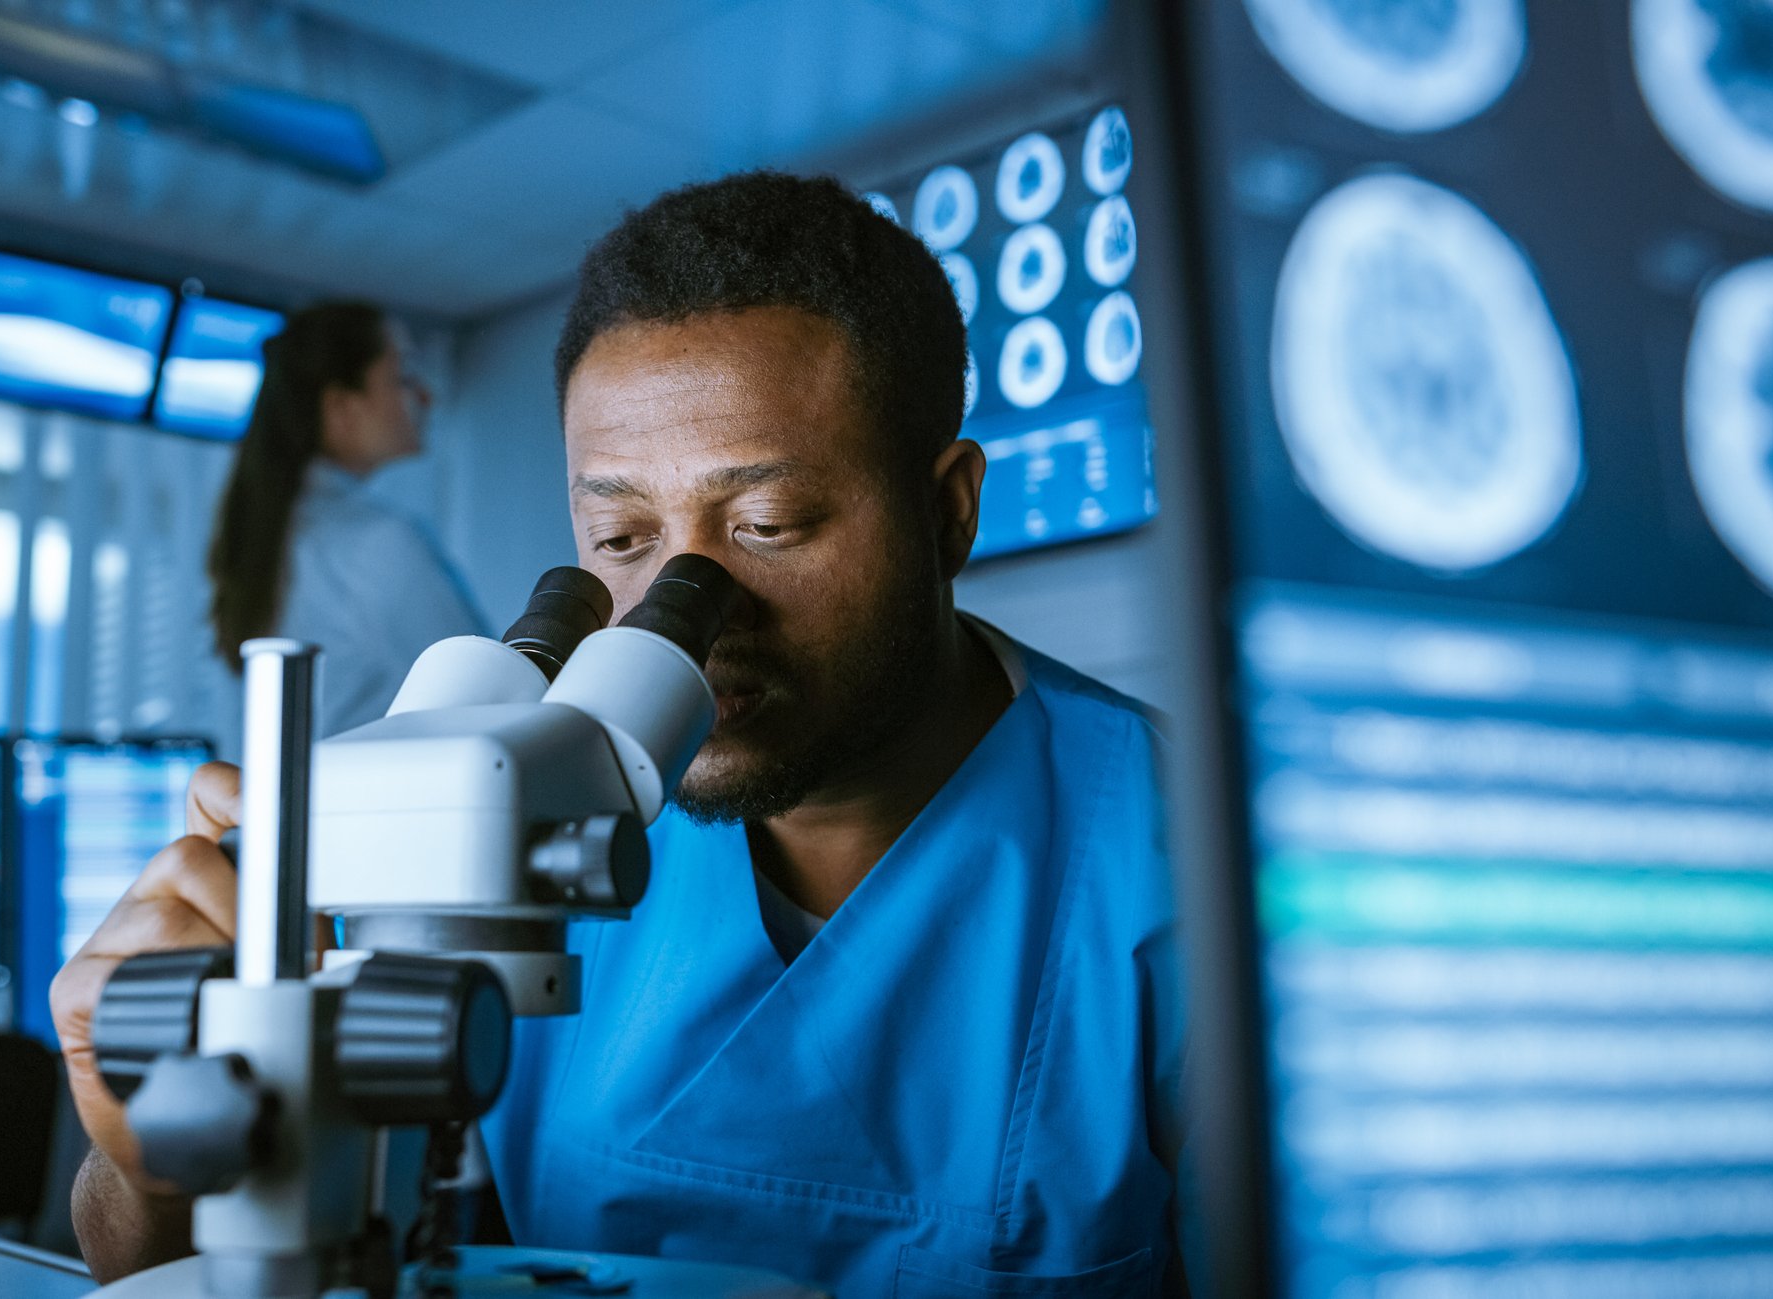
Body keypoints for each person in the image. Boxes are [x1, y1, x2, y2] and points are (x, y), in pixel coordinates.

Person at [57, 174, 1185, 1296]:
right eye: (620, 535)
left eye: (767, 525)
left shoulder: (1188, 864)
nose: (682, 613)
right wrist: (154, 1148)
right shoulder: (520, 819)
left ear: (946, 510)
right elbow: (219, 1263)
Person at [205, 300, 486, 740]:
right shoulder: (374, 541)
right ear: (341, 407)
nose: (425, 396)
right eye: (403, 377)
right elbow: (489, 700)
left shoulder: (270, 537)